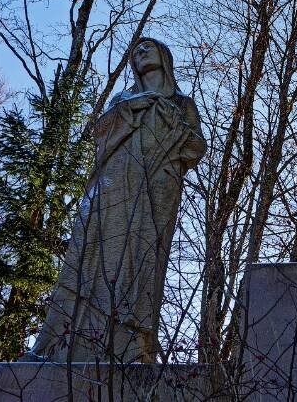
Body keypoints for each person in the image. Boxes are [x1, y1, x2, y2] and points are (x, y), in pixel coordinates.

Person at [22, 38, 206, 363]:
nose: (140, 52)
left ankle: (129, 347)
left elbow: (196, 148)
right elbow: (99, 132)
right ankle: (57, 346)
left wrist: (171, 122)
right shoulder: (123, 99)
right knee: (87, 253)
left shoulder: (181, 102)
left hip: (156, 193)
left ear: (164, 56)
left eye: (147, 47)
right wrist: (133, 106)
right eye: (136, 51)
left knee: (141, 263)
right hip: (112, 188)